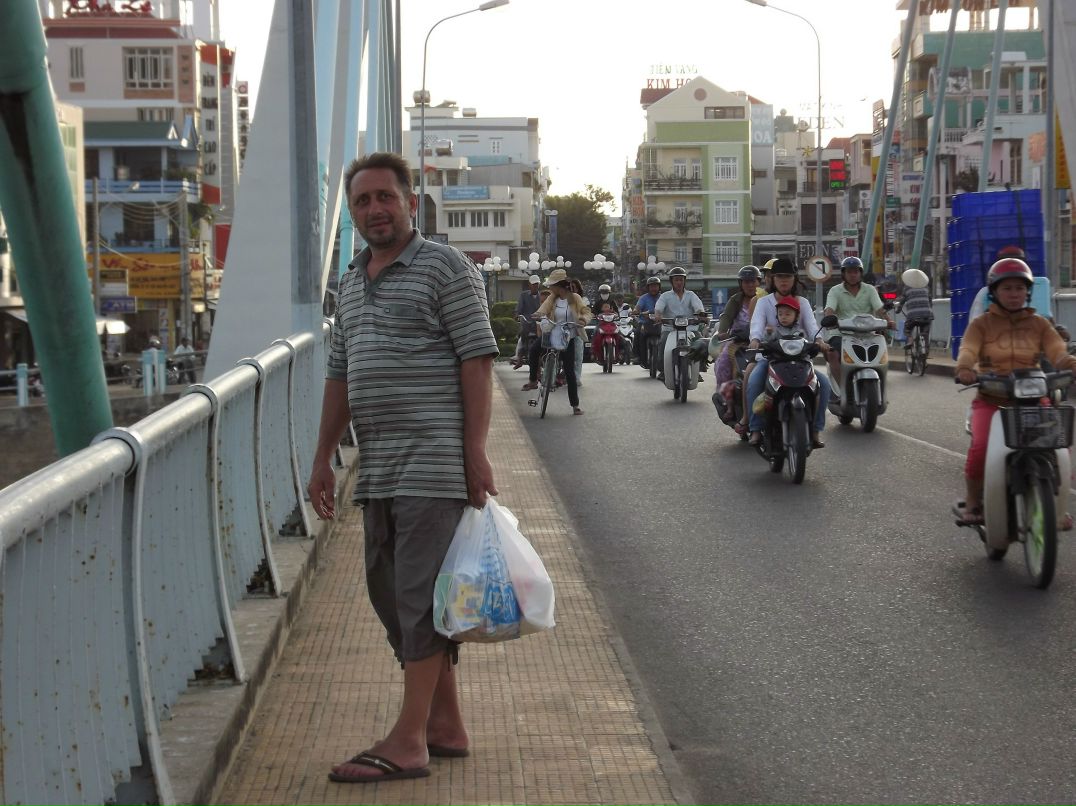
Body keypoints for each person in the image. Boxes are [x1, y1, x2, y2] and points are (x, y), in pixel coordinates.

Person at [307, 151, 499, 784]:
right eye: (362, 202)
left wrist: (475, 451)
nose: (373, 210)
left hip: (434, 465)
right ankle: (446, 726)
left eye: (384, 197)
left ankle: (409, 740)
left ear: (410, 202)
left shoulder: (445, 268)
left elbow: (477, 359)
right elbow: (341, 375)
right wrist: (321, 461)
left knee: (417, 600)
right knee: (392, 599)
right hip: (380, 467)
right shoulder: (355, 279)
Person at [954, 257, 1076, 525]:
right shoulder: (981, 324)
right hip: (992, 399)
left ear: (1028, 292)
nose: (1014, 294)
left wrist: (1070, 365)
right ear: (995, 292)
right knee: (981, 447)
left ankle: (1057, 506)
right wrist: (965, 368)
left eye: (1019, 288)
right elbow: (969, 349)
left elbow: (1057, 351)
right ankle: (973, 503)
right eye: (1007, 288)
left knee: (1059, 446)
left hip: (1033, 397)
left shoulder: (1040, 324)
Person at [744, 258, 831, 448]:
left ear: (794, 279)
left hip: (800, 359)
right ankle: (756, 428)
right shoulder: (763, 302)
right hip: (770, 359)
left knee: (824, 384)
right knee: (754, 381)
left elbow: (812, 327)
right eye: (780, 277)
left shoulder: (803, 303)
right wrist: (755, 340)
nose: (784, 281)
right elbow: (757, 325)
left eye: (788, 277)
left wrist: (819, 341)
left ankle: (815, 430)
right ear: (773, 279)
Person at [525, 267, 590, 414]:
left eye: (551, 285)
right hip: (552, 332)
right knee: (534, 350)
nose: (549, 288)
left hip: (569, 336)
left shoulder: (575, 298)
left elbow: (586, 312)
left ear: (559, 285)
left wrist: (583, 320)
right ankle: (533, 380)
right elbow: (543, 309)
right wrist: (537, 314)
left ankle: (575, 405)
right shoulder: (552, 298)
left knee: (569, 370)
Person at [823, 256, 892, 384]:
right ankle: (842, 389)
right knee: (832, 354)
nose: (853, 275)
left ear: (861, 273)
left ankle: (881, 387)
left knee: (882, 353)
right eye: (849, 272)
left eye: (856, 271)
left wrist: (889, 320)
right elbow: (829, 309)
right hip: (841, 334)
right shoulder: (835, 291)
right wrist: (829, 318)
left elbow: (879, 308)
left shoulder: (870, 290)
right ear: (844, 274)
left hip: (868, 334)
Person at [712, 266, 761, 407]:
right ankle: (725, 398)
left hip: (763, 342)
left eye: (753, 281)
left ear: (759, 282)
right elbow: (726, 317)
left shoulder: (766, 298)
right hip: (738, 341)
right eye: (746, 282)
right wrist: (722, 331)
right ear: (741, 284)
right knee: (723, 361)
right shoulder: (736, 299)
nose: (750, 285)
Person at [653, 266, 707, 381]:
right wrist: (658, 316)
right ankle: (663, 371)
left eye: (681, 280)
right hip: (670, 329)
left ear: (684, 281)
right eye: (676, 280)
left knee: (700, 341)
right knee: (662, 343)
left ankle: (699, 369)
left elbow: (698, 308)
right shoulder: (665, 296)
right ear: (671, 281)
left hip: (690, 328)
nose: (679, 282)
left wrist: (701, 315)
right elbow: (659, 308)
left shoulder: (691, 295)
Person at [512, 275, 542, 369]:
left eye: (537, 284)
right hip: (527, 323)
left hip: (539, 323)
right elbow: (519, 308)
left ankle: (542, 359)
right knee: (522, 337)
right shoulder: (523, 295)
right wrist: (517, 314)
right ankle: (519, 358)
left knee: (542, 339)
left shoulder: (542, 296)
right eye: (533, 284)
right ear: (529, 285)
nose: (535, 286)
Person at [632, 276, 662, 367]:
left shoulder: (663, 297)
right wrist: (636, 311)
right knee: (637, 333)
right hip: (644, 322)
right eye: (651, 286)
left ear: (659, 287)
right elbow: (637, 308)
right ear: (648, 287)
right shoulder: (643, 298)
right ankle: (637, 356)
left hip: (660, 322)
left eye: (655, 286)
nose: (653, 288)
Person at [896, 280, 934, 347]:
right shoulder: (925, 286)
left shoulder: (907, 288)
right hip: (927, 315)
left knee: (907, 328)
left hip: (912, 316)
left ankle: (911, 341)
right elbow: (930, 300)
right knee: (925, 329)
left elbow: (902, 302)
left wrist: (898, 310)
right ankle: (925, 342)